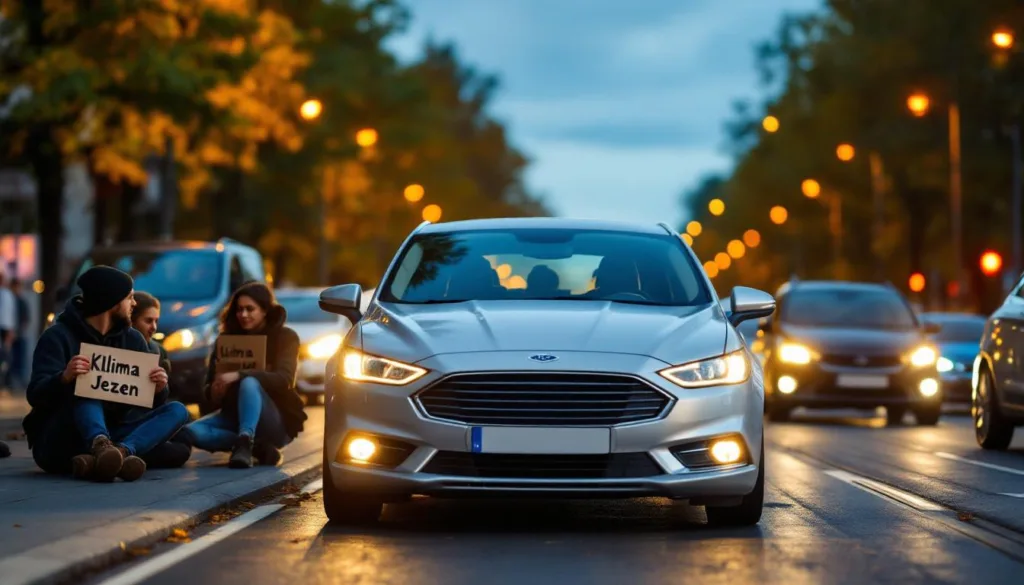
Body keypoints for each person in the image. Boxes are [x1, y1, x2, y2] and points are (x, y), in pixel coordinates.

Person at [22, 266, 189, 481]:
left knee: (178, 411)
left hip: (115, 431)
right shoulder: (57, 336)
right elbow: (35, 394)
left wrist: (158, 388)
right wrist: (64, 377)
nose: (134, 303)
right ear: (112, 301)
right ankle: (100, 447)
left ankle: (117, 454)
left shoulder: (133, 339)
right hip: (62, 437)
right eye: (129, 298)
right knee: (88, 384)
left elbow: (143, 403)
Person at [180, 282, 306, 468]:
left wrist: (239, 374)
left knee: (249, 382)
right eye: (239, 310)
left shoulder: (285, 337)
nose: (243, 315)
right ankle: (255, 447)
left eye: (250, 309)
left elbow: (284, 379)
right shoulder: (226, 341)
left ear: (264, 310)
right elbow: (208, 391)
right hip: (233, 415)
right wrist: (215, 392)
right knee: (190, 432)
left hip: (274, 419)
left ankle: (246, 440)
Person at [128, 291, 191, 469]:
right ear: (132, 321)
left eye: (156, 321)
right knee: (177, 451)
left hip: (146, 418)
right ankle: (126, 451)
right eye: (148, 321)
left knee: (184, 436)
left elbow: (159, 403)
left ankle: (127, 451)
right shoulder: (118, 346)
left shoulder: (159, 351)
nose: (154, 327)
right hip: (124, 421)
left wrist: (161, 388)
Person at [6, 278, 30, 389]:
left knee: (20, 359)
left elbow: (26, 319)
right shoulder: (9, 300)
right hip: (9, 334)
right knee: (10, 359)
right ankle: (10, 382)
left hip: (19, 335)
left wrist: (18, 331)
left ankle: (19, 381)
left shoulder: (22, 301)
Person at [0, 268, 15, 386]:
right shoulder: (8, 295)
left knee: (5, 357)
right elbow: (10, 315)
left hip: (5, 328)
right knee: (5, 356)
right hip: (6, 328)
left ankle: (4, 383)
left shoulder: (7, 294)